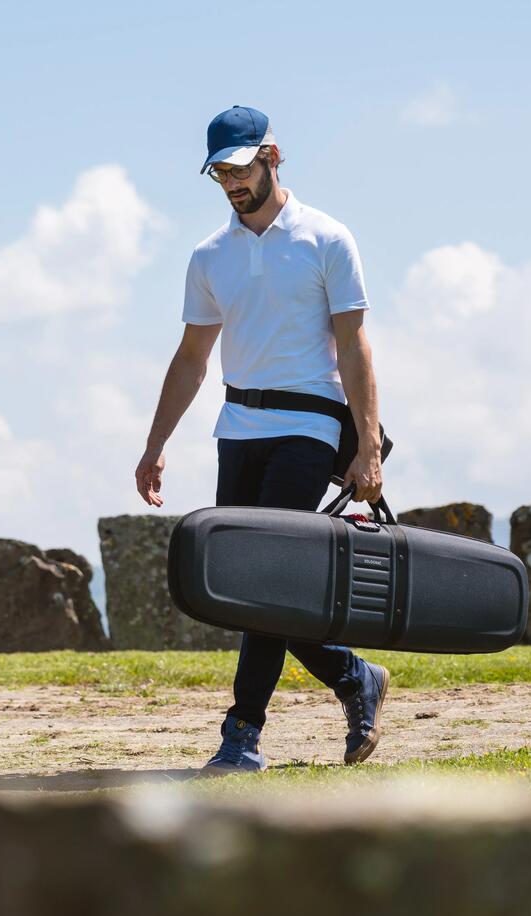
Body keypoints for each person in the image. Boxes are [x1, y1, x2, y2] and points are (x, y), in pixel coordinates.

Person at [135, 105, 389, 773]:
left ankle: (243, 733)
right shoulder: (209, 256)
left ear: (272, 157)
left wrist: (366, 446)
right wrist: (156, 443)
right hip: (238, 427)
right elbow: (192, 357)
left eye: (240, 168)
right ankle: (351, 676)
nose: (230, 182)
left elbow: (355, 346)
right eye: (219, 171)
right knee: (252, 587)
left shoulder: (327, 239)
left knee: (268, 577)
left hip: (310, 425)